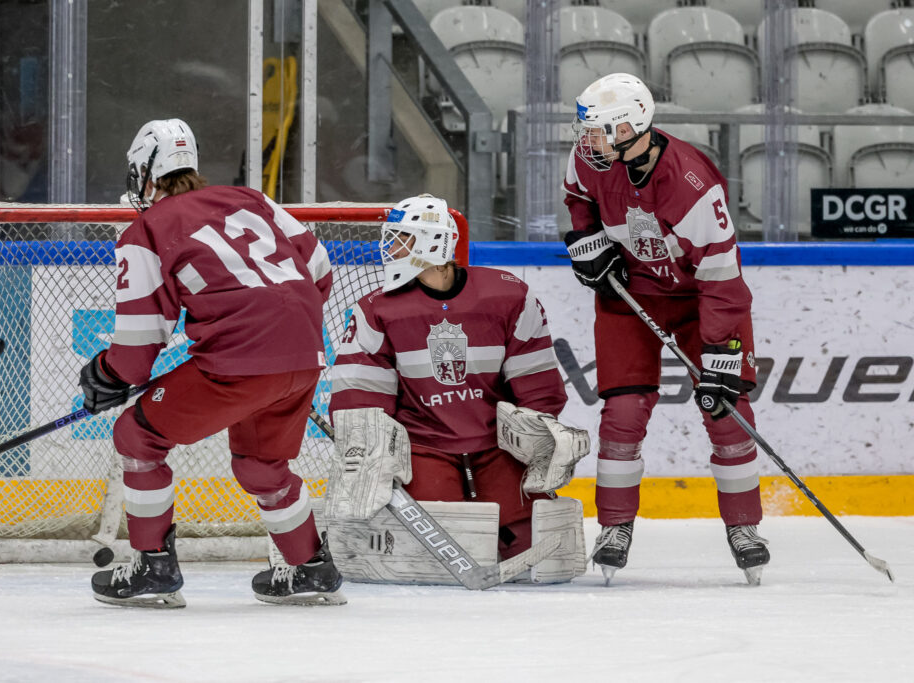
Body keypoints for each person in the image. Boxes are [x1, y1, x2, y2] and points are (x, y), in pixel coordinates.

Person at [79, 118, 345, 607]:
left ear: (143, 172)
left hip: (240, 362)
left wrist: (107, 374)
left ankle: (152, 567)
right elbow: (321, 272)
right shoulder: (254, 200)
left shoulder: (147, 229)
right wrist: (280, 334)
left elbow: (139, 342)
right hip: (306, 354)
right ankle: (310, 569)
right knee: (263, 465)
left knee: (137, 436)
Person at [561, 73, 769, 584]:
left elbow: (722, 279)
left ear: (631, 128)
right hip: (631, 296)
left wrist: (720, 355)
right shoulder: (591, 161)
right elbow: (578, 200)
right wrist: (587, 242)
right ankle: (614, 527)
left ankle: (744, 528)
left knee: (728, 413)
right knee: (623, 414)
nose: (587, 142)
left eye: (599, 131)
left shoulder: (691, 184)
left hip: (705, 302)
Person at [326, 194, 590, 581]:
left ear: (431, 244)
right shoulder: (377, 309)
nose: (389, 247)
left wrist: (541, 437)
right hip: (424, 444)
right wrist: (370, 450)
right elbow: (361, 393)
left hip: (498, 444)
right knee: (440, 544)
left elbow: (536, 382)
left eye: (400, 238)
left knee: (527, 541)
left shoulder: (507, 294)